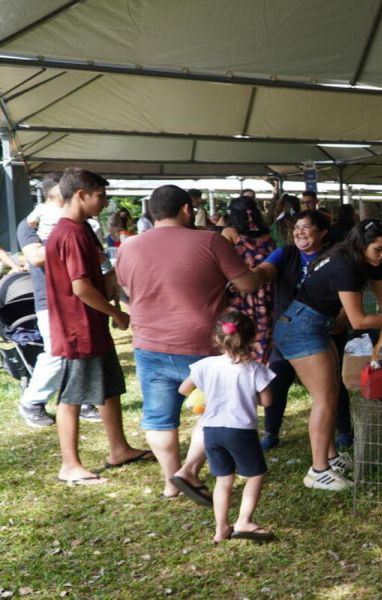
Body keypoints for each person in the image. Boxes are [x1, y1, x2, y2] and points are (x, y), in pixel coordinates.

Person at [117, 184, 260, 504]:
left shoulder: (128, 247)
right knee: (215, 411)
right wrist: (263, 271)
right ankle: (190, 470)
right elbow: (247, 284)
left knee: (158, 418)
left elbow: (127, 288)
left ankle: (171, 481)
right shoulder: (211, 241)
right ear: (186, 209)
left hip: (148, 343)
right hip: (201, 345)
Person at [274, 219, 382, 491]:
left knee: (331, 395)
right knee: (324, 398)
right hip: (300, 328)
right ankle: (318, 471)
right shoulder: (344, 264)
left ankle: (330, 458)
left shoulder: (370, 263)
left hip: (318, 326)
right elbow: (358, 320)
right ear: (361, 245)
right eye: (378, 249)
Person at [44, 168, 149, 486]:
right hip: (78, 328)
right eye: (100, 196)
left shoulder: (82, 230)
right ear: (81, 195)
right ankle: (69, 464)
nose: (105, 203)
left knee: (110, 387)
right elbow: (81, 288)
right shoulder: (71, 233)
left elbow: (97, 278)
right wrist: (117, 315)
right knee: (72, 396)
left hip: (91, 325)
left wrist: (117, 273)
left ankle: (118, 448)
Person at [253, 210, 355, 451]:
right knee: (277, 380)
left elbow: (349, 291)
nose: (299, 232)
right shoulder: (286, 254)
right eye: (296, 227)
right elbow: (265, 270)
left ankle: (344, 430)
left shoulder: (335, 258)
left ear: (322, 232)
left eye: (306, 227)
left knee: (331, 386)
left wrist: (342, 315)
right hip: (287, 332)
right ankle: (271, 431)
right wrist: (254, 275)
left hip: (324, 330)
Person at [179, 311, 276, 543]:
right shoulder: (256, 369)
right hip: (240, 430)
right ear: (252, 339)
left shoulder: (205, 365)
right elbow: (268, 401)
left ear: (217, 338)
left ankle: (220, 529)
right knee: (255, 475)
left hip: (211, 430)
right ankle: (244, 521)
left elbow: (183, 389)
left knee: (223, 480)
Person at [16, 173, 99, 427]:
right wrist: (63, 235)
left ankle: (83, 400)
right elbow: (36, 258)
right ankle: (31, 401)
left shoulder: (80, 224)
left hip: (77, 296)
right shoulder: (28, 226)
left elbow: (96, 253)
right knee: (56, 352)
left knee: (81, 351)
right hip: (49, 300)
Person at [223, 196, 276, 363]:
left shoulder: (230, 233)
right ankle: (260, 369)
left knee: (239, 332)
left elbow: (222, 262)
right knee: (263, 332)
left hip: (241, 292)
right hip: (266, 292)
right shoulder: (268, 234)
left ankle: (239, 369)